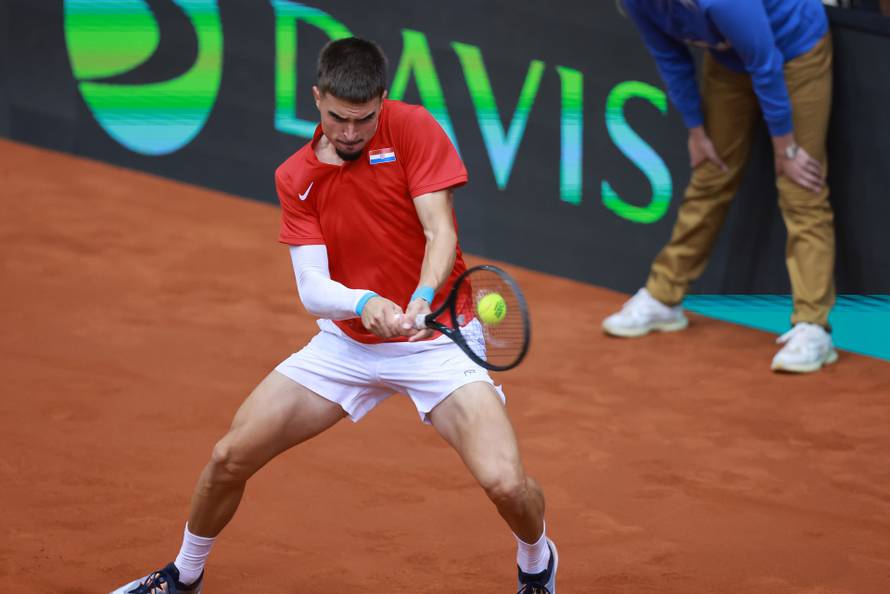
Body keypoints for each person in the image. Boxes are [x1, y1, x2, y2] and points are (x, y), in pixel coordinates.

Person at [110, 38, 558, 594]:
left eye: (364, 120)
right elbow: (313, 288)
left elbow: (438, 228)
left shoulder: (414, 128)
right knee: (229, 456)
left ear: (383, 101)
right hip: (347, 347)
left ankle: (537, 562)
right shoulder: (295, 177)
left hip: (439, 342)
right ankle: (184, 576)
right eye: (338, 118)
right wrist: (365, 304)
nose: (350, 133)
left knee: (506, 484)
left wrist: (420, 297)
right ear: (317, 99)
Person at [604, 0, 839, 373]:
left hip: (794, 52)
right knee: (710, 174)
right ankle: (664, 298)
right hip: (728, 63)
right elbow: (669, 57)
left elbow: (766, 62)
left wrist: (787, 147)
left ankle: (813, 327)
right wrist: (696, 130)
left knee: (800, 183)